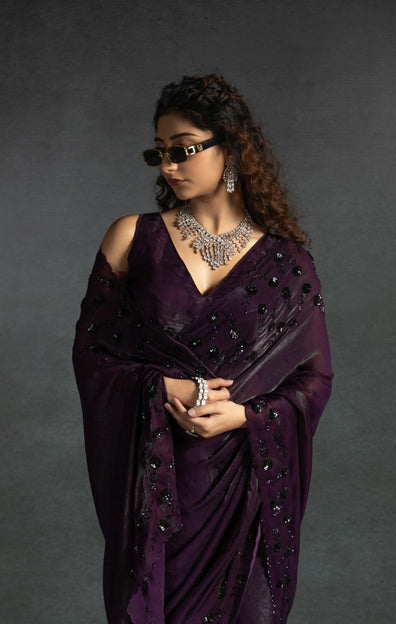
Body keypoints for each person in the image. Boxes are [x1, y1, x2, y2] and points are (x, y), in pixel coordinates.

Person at [73, 73, 333, 624]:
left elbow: (314, 380)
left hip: (243, 486)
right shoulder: (132, 239)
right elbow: (93, 356)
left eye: (183, 149)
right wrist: (161, 387)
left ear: (231, 148)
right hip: (156, 483)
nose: (169, 166)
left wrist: (246, 416)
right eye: (159, 152)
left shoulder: (288, 263)